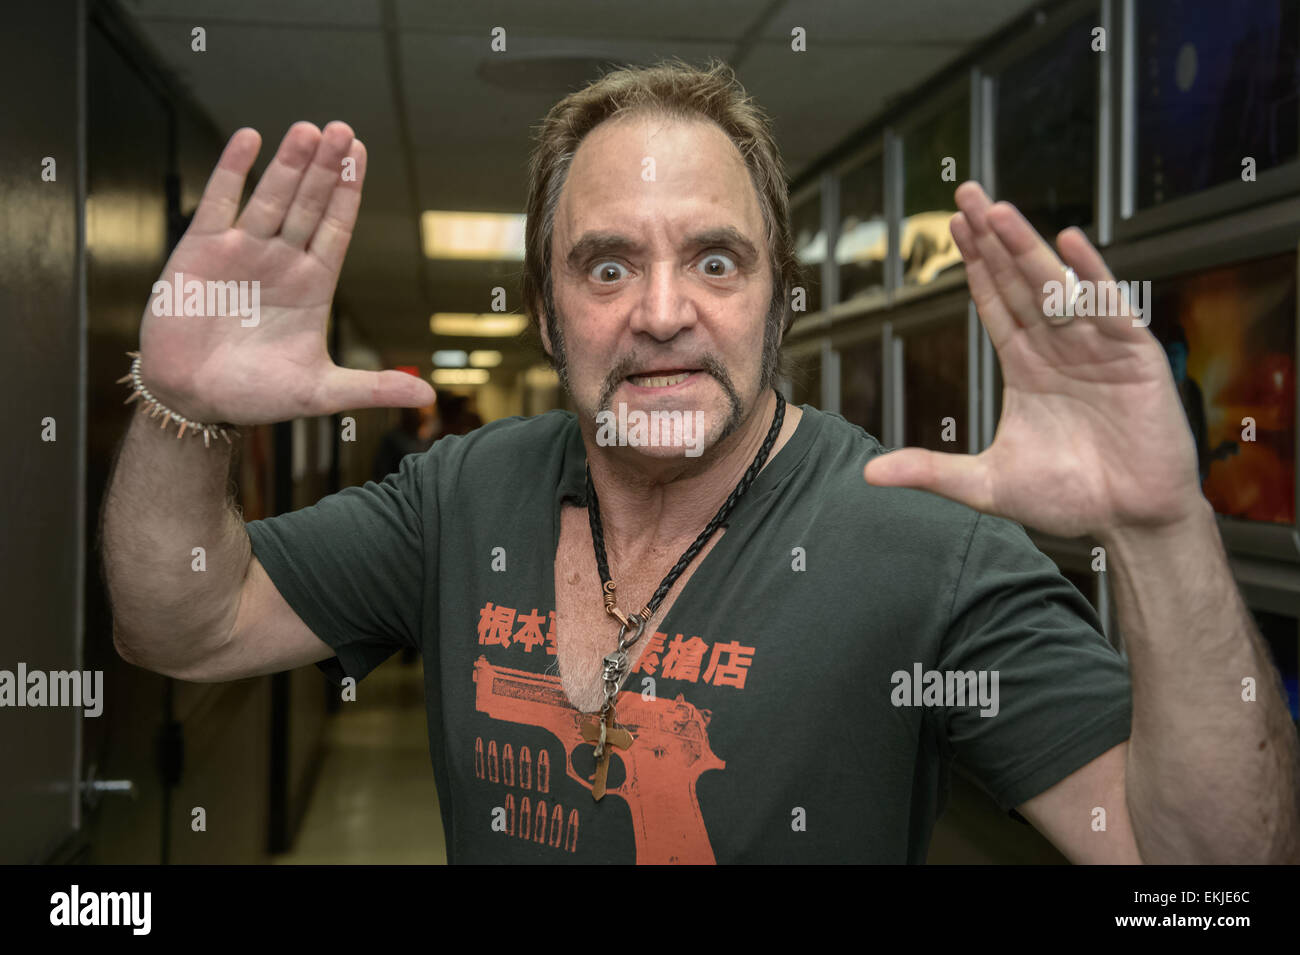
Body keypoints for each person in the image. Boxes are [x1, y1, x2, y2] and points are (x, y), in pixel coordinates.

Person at [102, 60, 1299, 864]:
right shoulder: (463, 496)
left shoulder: (922, 543)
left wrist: (1158, 523)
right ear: (546, 310)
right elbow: (182, 625)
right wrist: (178, 407)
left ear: (781, 295)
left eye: (716, 262)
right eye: (608, 265)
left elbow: (1202, 873)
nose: (662, 311)